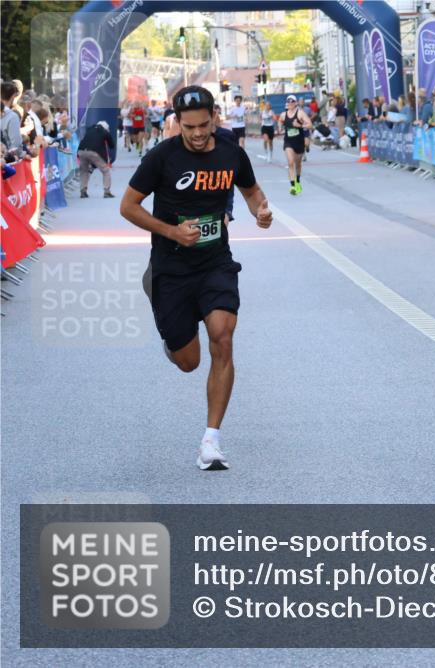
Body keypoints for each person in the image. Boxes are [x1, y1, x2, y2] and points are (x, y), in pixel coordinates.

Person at [120, 86, 273, 471]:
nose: (198, 133)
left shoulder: (230, 152)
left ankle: (211, 440)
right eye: (189, 127)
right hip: (170, 267)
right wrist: (171, 232)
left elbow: (252, 191)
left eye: (204, 125)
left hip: (215, 262)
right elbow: (128, 207)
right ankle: (172, 341)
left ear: (215, 118)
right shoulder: (162, 157)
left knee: (222, 335)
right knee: (188, 360)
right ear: (177, 122)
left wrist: (261, 211)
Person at [280, 95, 312, 195]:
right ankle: (293, 185)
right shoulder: (283, 115)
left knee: (298, 164)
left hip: (299, 142)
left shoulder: (300, 113)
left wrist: (300, 125)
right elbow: (280, 121)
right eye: (288, 101)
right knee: (290, 162)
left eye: (292, 101)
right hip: (288, 142)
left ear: (296, 103)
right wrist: (280, 128)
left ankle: (297, 181)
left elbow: (310, 124)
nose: (290, 103)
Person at [76, 120, 114, 198]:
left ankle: (83, 191)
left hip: (81, 151)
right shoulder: (104, 131)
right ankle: (107, 191)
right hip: (93, 152)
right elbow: (112, 145)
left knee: (84, 171)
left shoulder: (89, 129)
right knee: (105, 170)